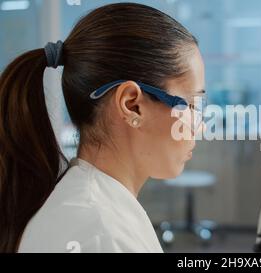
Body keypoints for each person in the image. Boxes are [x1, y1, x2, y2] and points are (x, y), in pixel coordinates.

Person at [0, 2, 205, 253]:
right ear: (132, 105)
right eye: (191, 105)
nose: (199, 127)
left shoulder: (85, 207)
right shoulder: (103, 237)